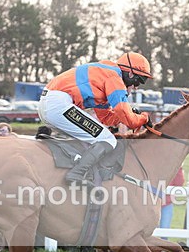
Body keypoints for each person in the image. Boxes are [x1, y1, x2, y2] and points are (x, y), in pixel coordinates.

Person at [38, 51, 152, 185]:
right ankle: (76, 174)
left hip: (51, 103)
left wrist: (127, 113)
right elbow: (129, 121)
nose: (137, 86)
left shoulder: (103, 75)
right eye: (140, 80)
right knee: (107, 139)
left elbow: (106, 118)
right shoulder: (115, 78)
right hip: (59, 104)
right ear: (131, 73)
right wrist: (144, 118)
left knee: (96, 136)